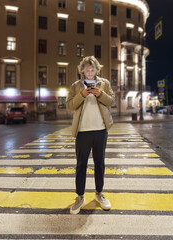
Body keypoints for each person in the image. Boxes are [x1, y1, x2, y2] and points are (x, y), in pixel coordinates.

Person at [67, 56, 115, 215]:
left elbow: (111, 101)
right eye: (86, 69)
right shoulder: (75, 86)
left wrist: (100, 94)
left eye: (92, 69)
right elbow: (70, 105)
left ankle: (99, 193)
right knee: (81, 165)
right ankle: (80, 197)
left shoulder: (104, 83)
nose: (89, 71)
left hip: (100, 130)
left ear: (96, 70)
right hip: (82, 131)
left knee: (99, 163)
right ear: (82, 70)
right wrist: (82, 94)